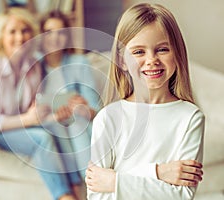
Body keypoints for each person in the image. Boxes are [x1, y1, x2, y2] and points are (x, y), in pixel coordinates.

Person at [85, 3, 204, 199]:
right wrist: (159, 173)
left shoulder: (191, 118)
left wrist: (114, 181)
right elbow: (97, 195)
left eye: (162, 49)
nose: (152, 60)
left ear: (178, 53)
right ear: (122, 60)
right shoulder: (108, 118)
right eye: (139, 52)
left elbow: (181, 195)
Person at [0, 7, 80, 200]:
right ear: (1, 36)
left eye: (25, 30)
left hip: (22, 125)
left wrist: (55, 115)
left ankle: (77, 185)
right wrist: (28, 120)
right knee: (42, 139)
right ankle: (64, 196)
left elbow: (33, 109)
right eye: (12, 31)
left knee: (57, 126)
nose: (20, 37)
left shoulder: (33, 66)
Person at [37, 10, 101, 180]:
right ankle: (84, 180)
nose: (55, 38)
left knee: (76, 123)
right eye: (49, 32)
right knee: (57, 125)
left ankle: (91, 179)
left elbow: (96, 109)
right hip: (49, 122)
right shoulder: (34, 66)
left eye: (61, 33)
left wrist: (83, 108)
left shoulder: (80, 63)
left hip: (77, 123)